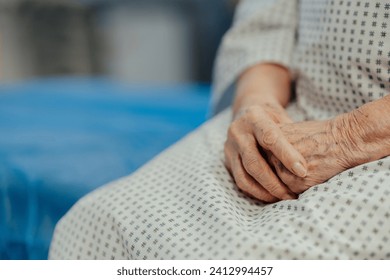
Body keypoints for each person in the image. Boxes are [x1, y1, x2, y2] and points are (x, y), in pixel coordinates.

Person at [49, 0, 390, 259]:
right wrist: (256, 104)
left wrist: (346, 136)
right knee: (95, 224)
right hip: (291, 110)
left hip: (380, 146)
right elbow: (268, 20)